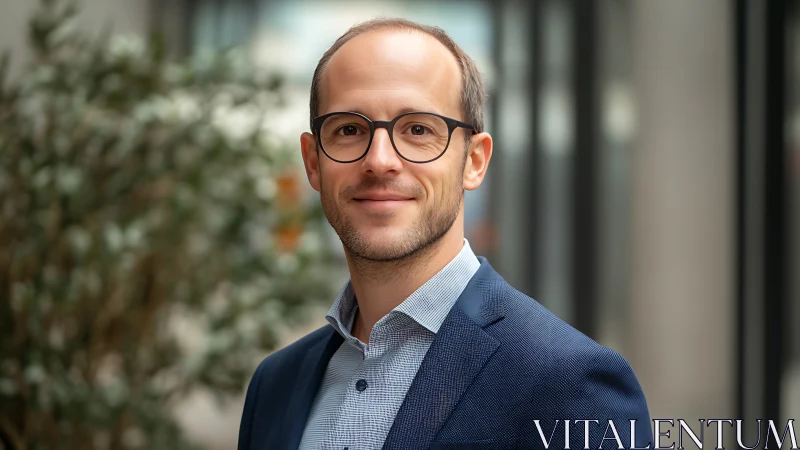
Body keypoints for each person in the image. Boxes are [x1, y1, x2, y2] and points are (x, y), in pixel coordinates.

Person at [237, 18, 652, 450]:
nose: (380, 161)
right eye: (349, 129)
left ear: (474, 160)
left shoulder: (569, 384)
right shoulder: (275, 385)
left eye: (418, 129)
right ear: (312, 161)